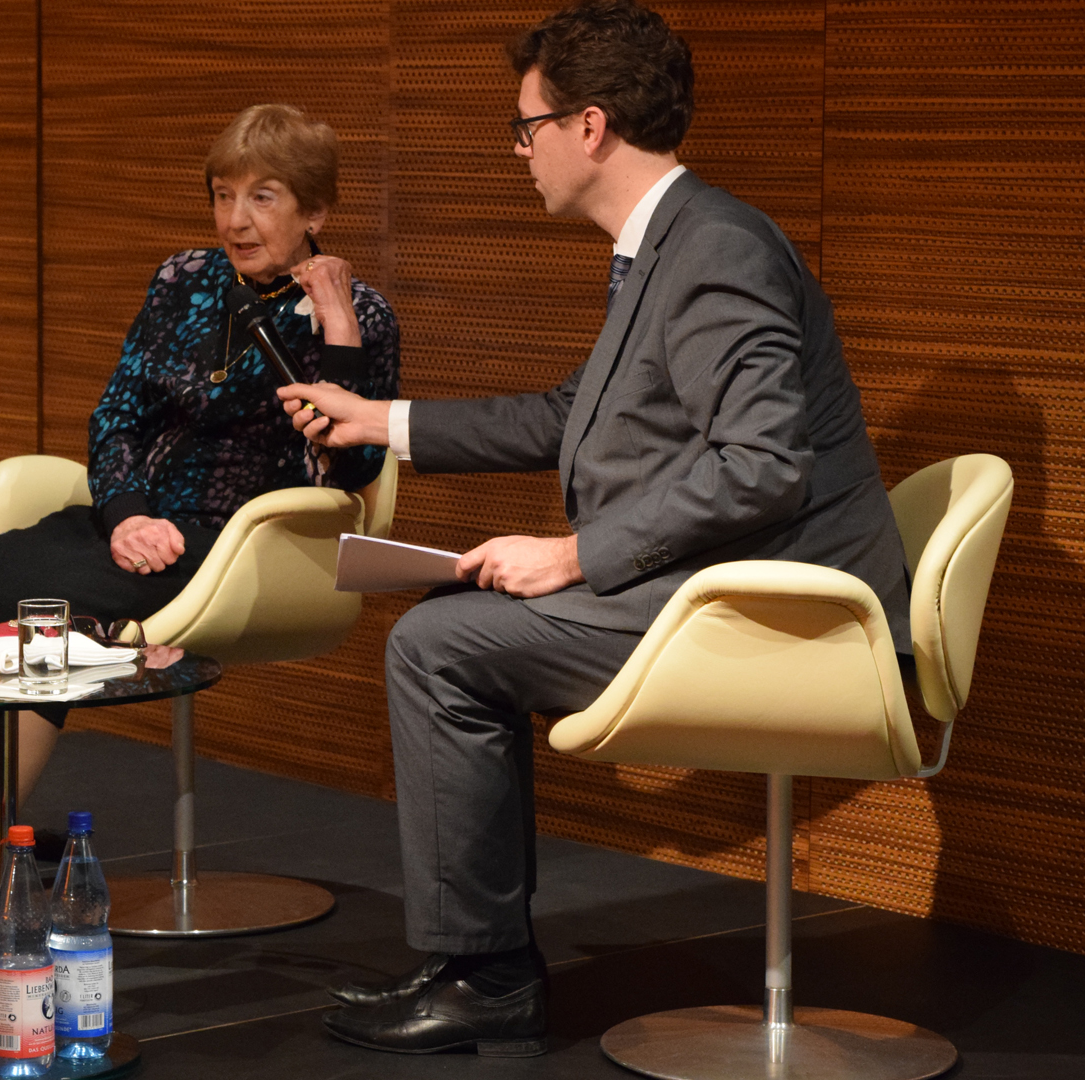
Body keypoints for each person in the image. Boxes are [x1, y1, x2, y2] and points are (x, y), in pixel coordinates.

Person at [278, 0, 911, 1056]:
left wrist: (575, 555)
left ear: (591, 126)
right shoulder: (663, 247)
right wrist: (384, 422)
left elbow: (760, 466)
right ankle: (474, 961)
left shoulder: (715, 250)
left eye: (527, 126)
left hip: (787, 613)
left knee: (441, 646)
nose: (518, 149)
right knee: (452, 620)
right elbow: (574, 415)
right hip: (730, 583)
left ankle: (486, 978)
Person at [0, 104, 400, 984]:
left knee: (47, 630)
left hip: (238, 543)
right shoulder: (182, 278)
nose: (235, 220)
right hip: (130, 519)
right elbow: (116, 414)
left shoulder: (358, 313)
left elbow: (352, 463)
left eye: (264, 198)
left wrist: (334, 327)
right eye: (224, 195)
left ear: (316, 212)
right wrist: (123, 514)